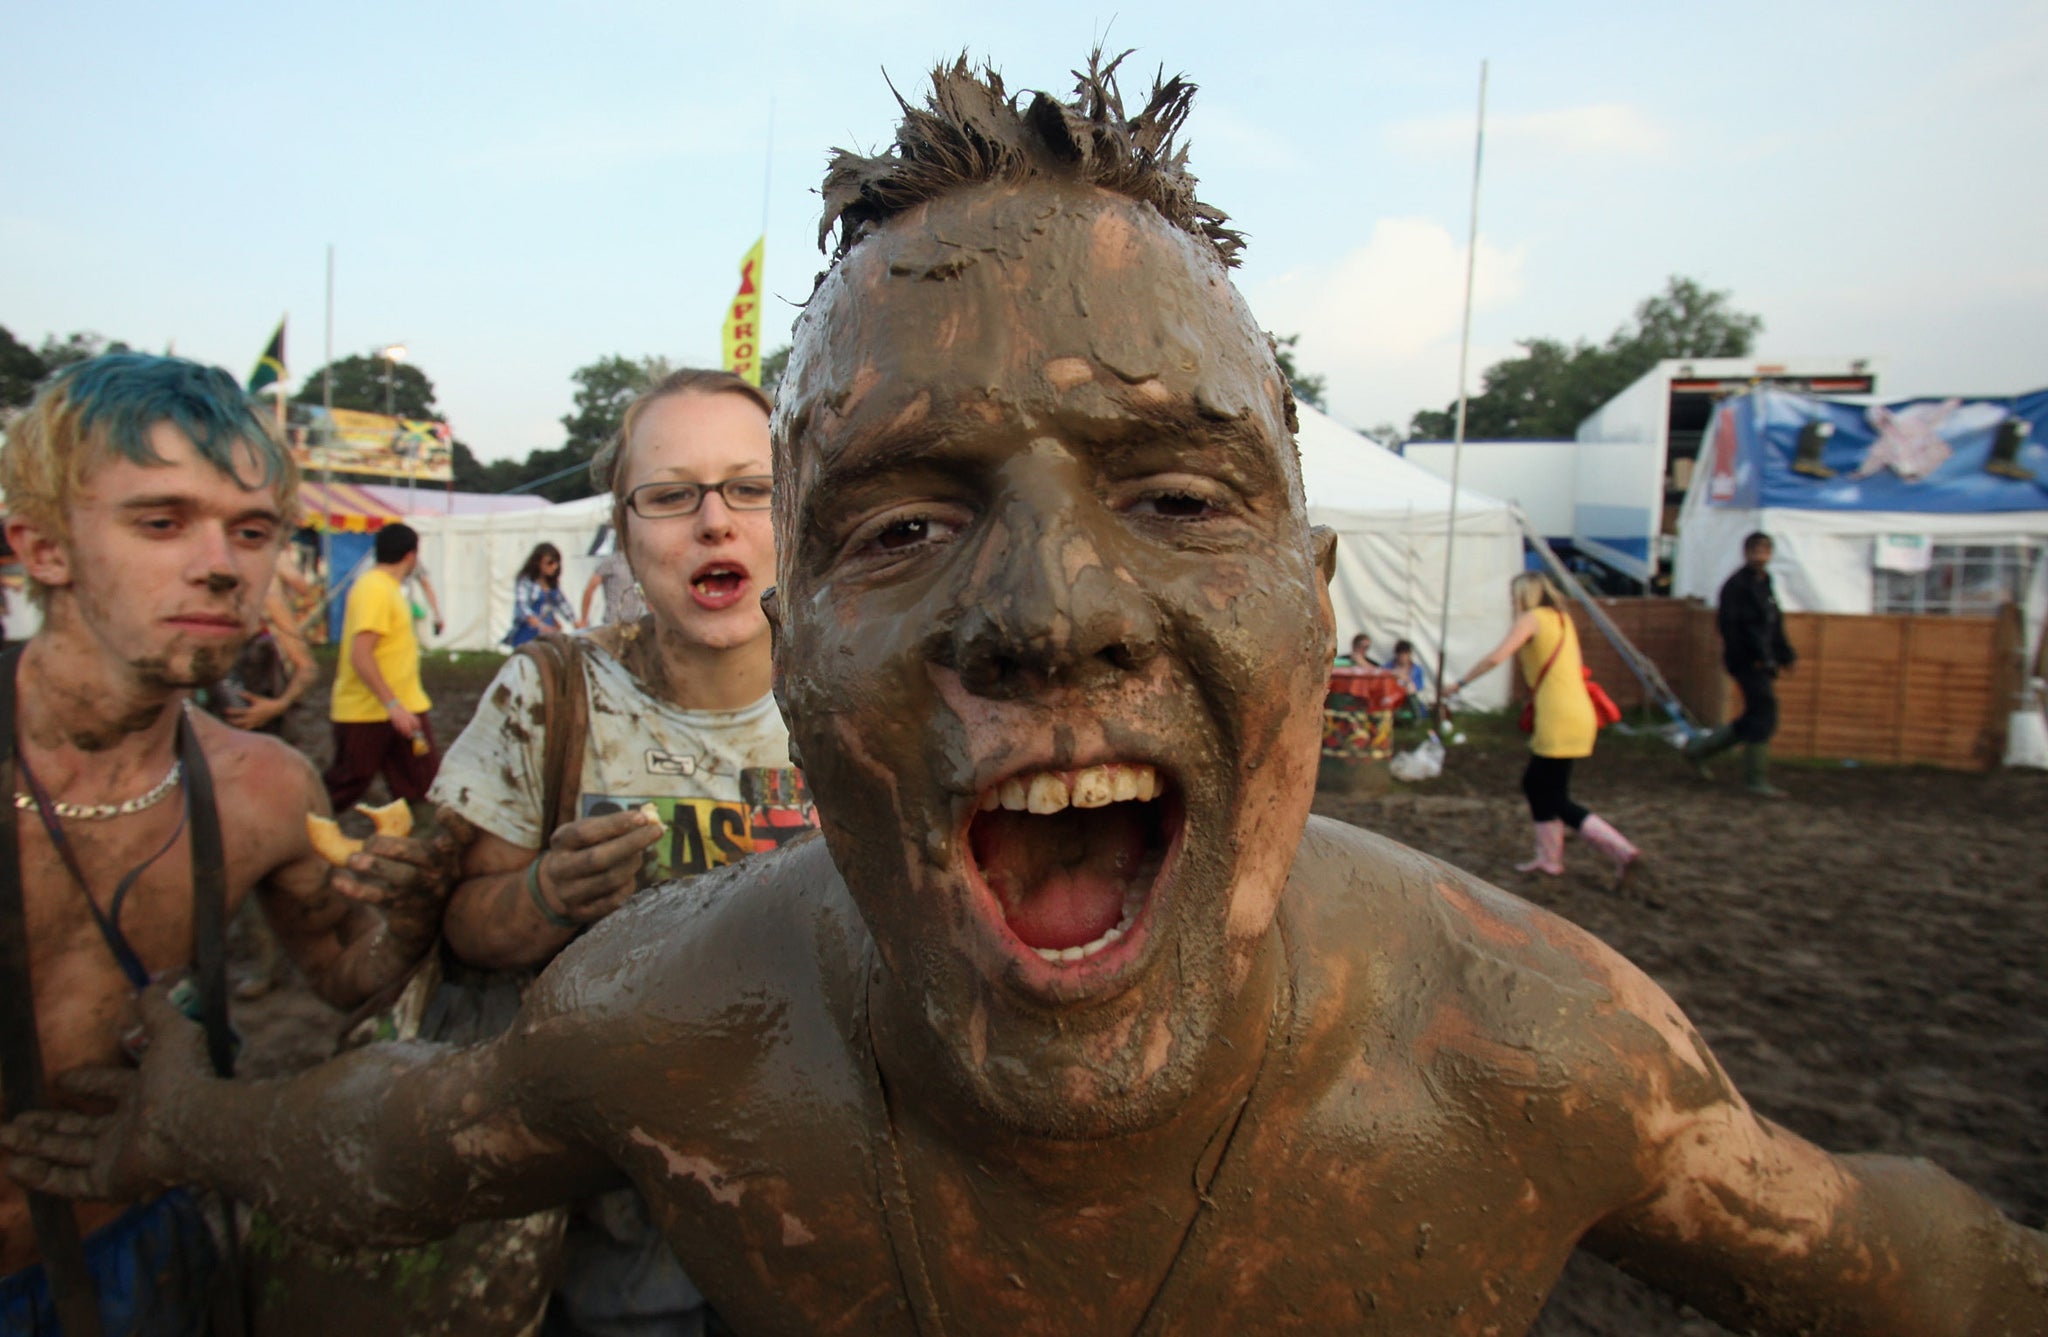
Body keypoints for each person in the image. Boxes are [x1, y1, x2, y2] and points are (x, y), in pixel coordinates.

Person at [8, 60, 2045, 1337]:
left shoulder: (1531, 1054)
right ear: (792, 659)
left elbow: (1902, 1255)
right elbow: (409, 1133)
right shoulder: (683, 1025)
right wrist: (194, 1115)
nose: (1050, 605)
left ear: (1318, 613)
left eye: (1175, 495)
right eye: (897, 526)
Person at [0, 353, 452, 1334]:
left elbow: (340, 964)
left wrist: (414, 907)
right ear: (39, 545)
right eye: (160, 521)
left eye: (251, 530)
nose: (222, 562)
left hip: (146, 1254)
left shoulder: (261, 788)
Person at [1447, 574, 1642, 885]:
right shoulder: (1561, 618)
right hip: (1578, 711)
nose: (1513, 602)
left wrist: (1458, 684)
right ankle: (1549, 858)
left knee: (1550, 794)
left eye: (1515, 596)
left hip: (1558, 715)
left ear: (1526, 594)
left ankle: (1621, 849)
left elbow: (1498, 656)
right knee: (1541, 786)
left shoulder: (1532, 618)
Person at [323, 523, 439, 810]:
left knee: (423, 785)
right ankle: (298, 833)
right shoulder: (374, 589)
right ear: (411, 556)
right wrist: (392, 705)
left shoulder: (387, 588)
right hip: (369, 711)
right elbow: (361, 654)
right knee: (347, 784)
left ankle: (415, 845)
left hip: (404, 708)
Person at [1685, 530, 1797, 797]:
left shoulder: (1765, 583)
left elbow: (1773, 622)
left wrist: (1785, 654)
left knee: (1755, 714)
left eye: (1765, 551)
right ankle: (1754, 779)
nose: (1760, 556)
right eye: (1756, 551)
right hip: (1747, 661)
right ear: (1746, 553)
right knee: (1764, 711)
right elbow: (1732, 628)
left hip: (1764, 660)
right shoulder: (1737, 586)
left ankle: (1698, 750)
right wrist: (1753, 658)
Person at [504, 542, 577, 648]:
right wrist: (540, 625)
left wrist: (575, 621)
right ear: (538, 563)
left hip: (548, 636)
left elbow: (562, 604)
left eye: (556, 563)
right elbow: (522, 606)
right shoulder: (526, 581)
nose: (554, 566)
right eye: (550, 563)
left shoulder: (552, 584)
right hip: (528, 634)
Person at [578, 545, 647, 628]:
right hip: (615, 623)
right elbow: (590, 589)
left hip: (639, 622)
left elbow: (649, 596)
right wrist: (584, 619)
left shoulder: (642, 562)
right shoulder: (613, 562)